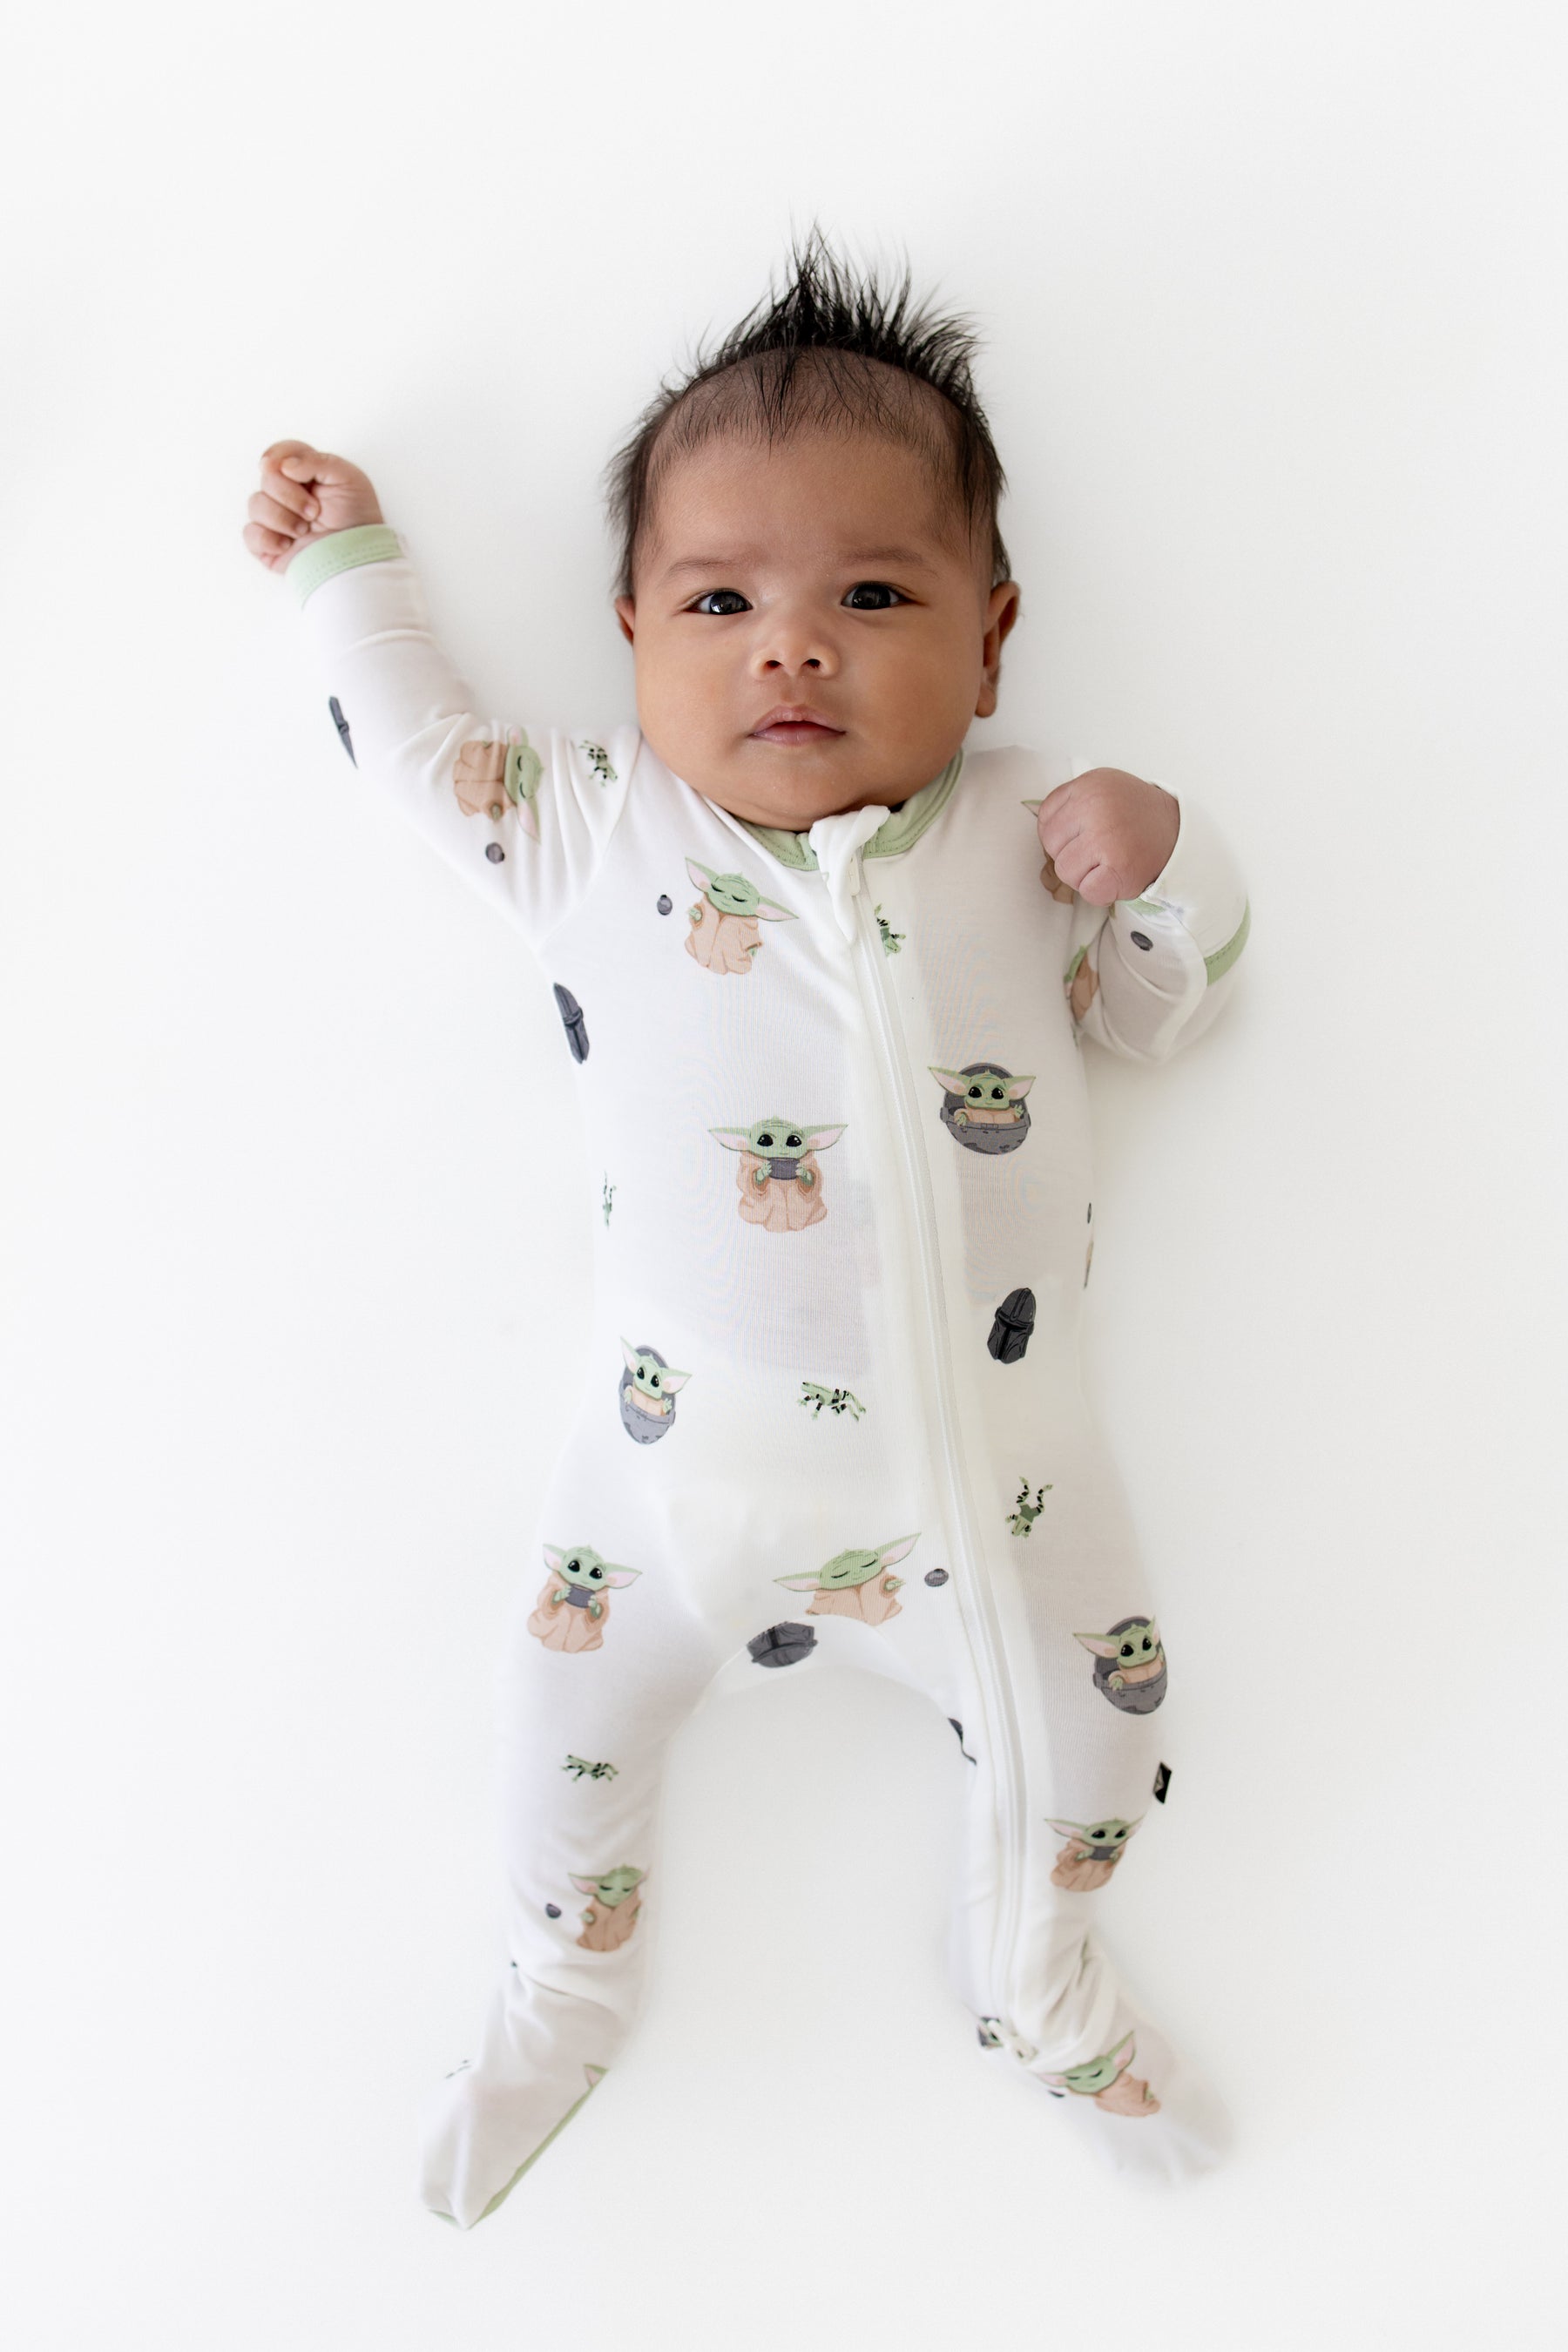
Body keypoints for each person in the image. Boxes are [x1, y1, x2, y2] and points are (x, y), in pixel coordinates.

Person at [242, 236, 1250, 2228]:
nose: (793, 647)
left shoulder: (1025, 831)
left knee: (1108, 1740)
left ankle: (1039, 1982)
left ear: (992, 637)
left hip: (995, 1512)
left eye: (872, 594)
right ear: (629, 634)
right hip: (660, 1487)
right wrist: (346, 568)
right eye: (722, 600)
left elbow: (1165, 1014)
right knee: (551, 1730)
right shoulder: (594, 829)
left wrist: (1168, 866)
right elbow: (409, 752)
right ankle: (565, 1984)